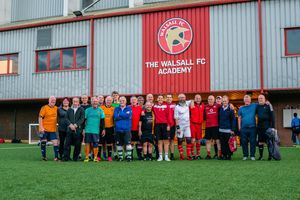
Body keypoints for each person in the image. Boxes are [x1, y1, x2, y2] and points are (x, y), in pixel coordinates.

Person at [83, 97, 105, 162]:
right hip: (88, 130)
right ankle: (87, 157)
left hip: (96, 130)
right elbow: (84, 120)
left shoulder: (100, 110)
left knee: (95, 143)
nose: (95, 102)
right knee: (87, 143)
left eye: (96, 101)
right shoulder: (87, 110)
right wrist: (83, 129)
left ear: (98, 102)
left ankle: (95, 157)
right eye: (93, 101)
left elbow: (102, 120)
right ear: (91, 102)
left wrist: (103, 129)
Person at [38, 96, 59, 161]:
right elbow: (40, 117)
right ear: (49, 100)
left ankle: (56, 157)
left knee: (55, 142)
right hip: (44, 129)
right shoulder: (44, 108)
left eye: (54, 100)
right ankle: (44, 157)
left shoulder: (56, 108)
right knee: (43, 142)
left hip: (52, 130)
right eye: (52, 100)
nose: (53, 101)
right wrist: (41, 127)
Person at [238, 95, 257, 161]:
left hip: (252, 127)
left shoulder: (254, 105)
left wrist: (267, 102)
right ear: (244, 101)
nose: (247, 101)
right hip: (243, 128)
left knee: (253, 142)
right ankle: (245, 155)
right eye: (245, 99)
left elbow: (261, 103)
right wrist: (239, 127)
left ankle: (252, 155)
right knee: (244, 142)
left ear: (250, 100)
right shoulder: (241, 108)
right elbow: (239, 118)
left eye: (248, 99)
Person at [153, 95, 172, 161]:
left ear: (163, 99)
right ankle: (160, 156)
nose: (160, 99)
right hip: (157, 125)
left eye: (161, 98)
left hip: (165, 125)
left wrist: (169, 125)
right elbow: (148, 109)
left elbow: (169, 116)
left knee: (166, 141)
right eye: (159, 98)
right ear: (157, 99)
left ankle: (166, 156)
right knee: (159, 141)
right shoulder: (154, 106)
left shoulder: (166, 106)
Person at [174, 94, 193, 160]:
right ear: (179, 99)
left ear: (185, 98)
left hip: (187, 126)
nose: (182, 98)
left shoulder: (187, 103)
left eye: (183, 97)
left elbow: (192, 100)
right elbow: (176, 118)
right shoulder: (176, 107)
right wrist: (178, 128)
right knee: (179, 140)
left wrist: (192, 104)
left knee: (188, 139)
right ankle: (181, 155)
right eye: (181, 97)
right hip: (180, 126)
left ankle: (188, 155)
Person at [114, 96, 133, 161]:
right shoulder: (116, 108)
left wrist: (120, 115)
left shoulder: (129, 108)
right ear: (119, 101)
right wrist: (123, 115)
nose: (122, 101)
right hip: (118, 129)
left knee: (128, 143)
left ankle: (128, 156)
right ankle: (120, 157)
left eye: (123, 100)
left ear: (126, 101)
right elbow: (115, 117)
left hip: (127, 129)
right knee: (119, 144)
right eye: (121, 100)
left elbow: (128, 116)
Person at [256, 94, 275, 160]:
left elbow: (273, 117)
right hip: (259, 128)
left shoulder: (268, 105)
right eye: (259, 98)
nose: (260, 99)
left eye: (261, 98)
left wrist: (273, 127)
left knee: (268, 142)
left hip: (268, 127)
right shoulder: (257, 106)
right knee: (260, 142)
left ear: (264, 99)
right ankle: (261, 156)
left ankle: (270, 156)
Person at [204, 95, 222, 159]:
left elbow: (226, 104)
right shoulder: (205, 107)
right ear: (207, 100)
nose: (210, 100)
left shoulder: (218, 106)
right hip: (208, 127)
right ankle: (208, 154)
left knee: (217, 141)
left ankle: (219, 154)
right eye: (209, 99)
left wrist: (231, 104)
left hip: (216, 126)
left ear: (214, 100)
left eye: (211, 99)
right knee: (208, 141)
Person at [219, 95, 236, 160]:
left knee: (229, 143)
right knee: (223, 144)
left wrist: (232, 129)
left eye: (225, 101)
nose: (224, 102)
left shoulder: (231, 109)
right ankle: (224, 155)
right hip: (221, 130)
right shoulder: (220, 108)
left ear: (228, 101)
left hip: (228, 130)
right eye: (223, 101)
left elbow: (233, 120)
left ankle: (229, 155)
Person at [100, 96, 115, 161]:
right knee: (100, 142)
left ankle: (109, 156)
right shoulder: (101, 108)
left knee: (109, 142)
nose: (108, 101)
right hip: (102, 128)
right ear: (105, 101)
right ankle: (98, 156)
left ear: (112, 101)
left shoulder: (114, 108)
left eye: (110, 100)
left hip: (110, 128)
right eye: (107, 100)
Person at [190, 94, 205, 160]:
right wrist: (191, 101)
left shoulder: (203, 105)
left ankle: (198, 154)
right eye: (196, 98)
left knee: (198, 140)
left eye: (199, 98)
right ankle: (192, 154)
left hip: (200, 124)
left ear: (201, 99)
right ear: (194, 99)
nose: (198, 99)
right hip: (192, 124)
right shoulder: (191, 104)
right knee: (193, 139)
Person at [166, 94, 176, 160]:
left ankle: (172, 154)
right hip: (166, 126)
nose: (169, 98)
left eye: (170, 97)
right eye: (167, 97)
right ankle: (166, 155)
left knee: (172, 140)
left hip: (173, 125)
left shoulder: (175, 105)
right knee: (166, 141)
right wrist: (167, 124)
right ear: (166, 99)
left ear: (172, 98)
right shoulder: (164, 105)